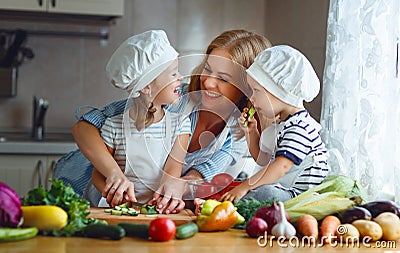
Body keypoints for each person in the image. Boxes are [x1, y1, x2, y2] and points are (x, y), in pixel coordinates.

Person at [54, 29, 272, 213]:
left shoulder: (239, 132)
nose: (208, 82)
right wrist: (114, 173)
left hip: (140, 207)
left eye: (223, 79)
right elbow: (85, 127)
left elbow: (204, 173)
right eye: (208, 69)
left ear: (247, 88)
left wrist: (179, 186)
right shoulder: (173, 98)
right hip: (90, 191)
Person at [90, 30, 192, 206]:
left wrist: (162, 200)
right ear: (147, 87)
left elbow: (171, 173)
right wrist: (116, 196)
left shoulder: (180, 124)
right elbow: (98, 176)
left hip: (157, 209)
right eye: (174, 74)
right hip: (118, 209)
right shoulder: (114, 127)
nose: (181, 78)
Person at [221, 45, 329, 203]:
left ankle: (227, 206)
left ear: (279, 90)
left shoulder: (299, 128)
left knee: (262, 193)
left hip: (299, 196)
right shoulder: (281, 124)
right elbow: (263, 160)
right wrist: (251, 133)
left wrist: (245, 186)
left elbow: (281, 167)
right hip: (284, 189)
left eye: (256, 91)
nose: (251, 98)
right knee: (251, 190)